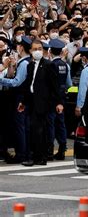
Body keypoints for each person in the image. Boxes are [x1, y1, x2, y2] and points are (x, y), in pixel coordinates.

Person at [18, 39, 63, 166]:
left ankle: (39, 157)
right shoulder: (30, 65)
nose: (37, 51)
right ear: (31, 51)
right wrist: (23, 102)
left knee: (39, 130)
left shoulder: (49, 65)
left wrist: (59, 103)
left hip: (44, 103)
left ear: (43, 50)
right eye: (35, 49)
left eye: (39, 49)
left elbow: (55, 85)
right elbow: (29, 84)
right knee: (33, 129)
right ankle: (38, 156)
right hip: (32, 101)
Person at [0, 36, 32, 164]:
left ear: (21, 47)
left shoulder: (24, 63)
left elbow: (16, 82)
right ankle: (23, 152)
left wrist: (2, 77)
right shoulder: (26, 61)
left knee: (21, 126)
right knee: (22, 126)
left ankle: (21, 153)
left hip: (19, 97)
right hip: (20, 96)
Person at [48, 39, 72, 160]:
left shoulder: (51, 65)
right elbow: (69, 84)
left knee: (51, 124)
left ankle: (49, 149)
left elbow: (51, 85)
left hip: (53, 99)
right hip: (62, 97)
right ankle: (62, 148)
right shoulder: (65, 65)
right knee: (61, 124)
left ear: (50, 51)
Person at [75, 47, 88, 118]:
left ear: (84, 58)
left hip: (87, 104)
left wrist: (79, 106)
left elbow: (83, 90)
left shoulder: (86, 70)